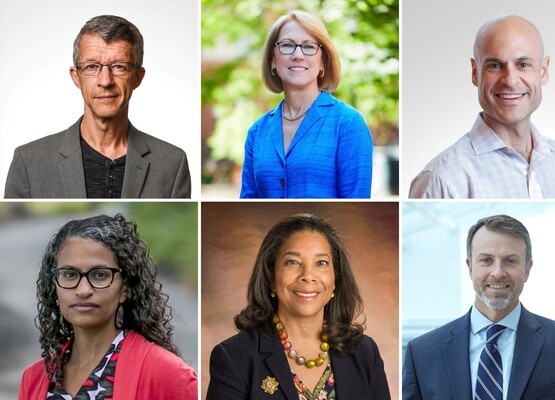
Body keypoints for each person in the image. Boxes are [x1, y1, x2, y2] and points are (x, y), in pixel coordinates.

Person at [403, 214, 555, 399]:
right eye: (486, 260)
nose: (498, 272)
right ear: (470, 267)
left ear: (527, 270)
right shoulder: (421, 353)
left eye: (510, 261)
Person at [409, 15, 555, 199]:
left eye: (523, 64)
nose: (510, 80)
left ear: (543, 71)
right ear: (475, 73)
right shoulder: (442, 180)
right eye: (495, 65)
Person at [5, 15, 191, 198]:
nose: (105, 81)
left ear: (138, 77)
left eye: (119, 66)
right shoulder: (29, 161)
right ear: (76, 76)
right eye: (92, 66)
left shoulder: (172, 163)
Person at [207, 213, 390, 399]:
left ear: (335, 278)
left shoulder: (365, 353)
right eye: (293, 262)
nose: (308, 275)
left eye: (321, 263)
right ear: (271, 277)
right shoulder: (234, 357)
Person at [18, 214, 197, 399]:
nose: (83, 290)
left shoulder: (170, 376)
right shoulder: (33, 378)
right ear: (54, 286)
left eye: (100, 275)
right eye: (70, 274)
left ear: (124, 289)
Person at [240, 10, 372, 198]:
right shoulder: (257, 132)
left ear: (323, 62)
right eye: (287, 45)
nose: (298, 55)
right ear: (272, 60)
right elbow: (248, 204)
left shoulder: (348, 124)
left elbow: (356, 203)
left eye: (309, 47)